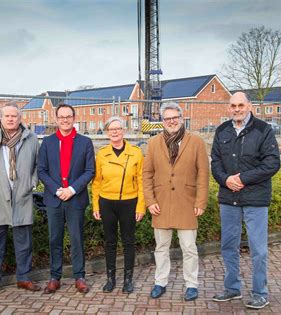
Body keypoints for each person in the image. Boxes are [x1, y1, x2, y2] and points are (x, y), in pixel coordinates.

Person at [211, 91, 280, 309]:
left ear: (249, 106)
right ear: (229, 108)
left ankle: (260, 292)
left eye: (241, 105)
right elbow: (215, 162)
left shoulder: (263, 130)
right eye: (233, 105)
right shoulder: (222, 131)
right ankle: (232, 288)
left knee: (258, 249)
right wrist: (225, 179)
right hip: (228, 197)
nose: (237, 109)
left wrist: (242, 178)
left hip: (255, 199)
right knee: (228, 246)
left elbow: (272, 163)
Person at [142, 102, 209, 301]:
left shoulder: (196, 142)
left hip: (186, 203)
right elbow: (147, 174)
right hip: (160, 203)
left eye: (175, 118)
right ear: (162, 121)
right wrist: (149, 200)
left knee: (189, 247)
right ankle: (160, 282)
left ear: (181, 119)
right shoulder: (153, 143)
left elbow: (203, 174)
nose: (171, 121)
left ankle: (191, 284)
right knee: (161, 247)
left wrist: (200, 202)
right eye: (167, 118)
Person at [0, 102, 41, 295]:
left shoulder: (31, 138)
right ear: (1, 118)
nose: (11, 119)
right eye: (7, 116)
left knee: (24, 241)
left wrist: (32, 183)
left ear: (20, 119)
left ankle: (24, 278)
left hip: (22, 195)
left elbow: (38, 165)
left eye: (14, 116)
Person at [37, 103, 95, 294]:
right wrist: (56, 190)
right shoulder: (47, 142)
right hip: (54, 199)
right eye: (61, 117)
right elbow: (42, 171)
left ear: (74, 118)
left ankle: (79, 276)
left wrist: (72, 189)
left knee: (77, 239)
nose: (64, 120)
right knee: (55, 239)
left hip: (75, 199)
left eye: (68, 116)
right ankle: (55, 277)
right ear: (56, 119)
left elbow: (89, 171)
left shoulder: (85, 142)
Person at [91, 116, 145, 293]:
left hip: (129, 202)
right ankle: (110, 278)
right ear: (107, 133)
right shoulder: (101, 154)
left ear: (123, 130)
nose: (114, 132)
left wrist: (140, 206)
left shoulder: (135, 153)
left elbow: (141, 181)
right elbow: (97, 182)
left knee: (128, 241)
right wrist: (96, 205)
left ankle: (128, 279)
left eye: (118, 128)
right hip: (107, 203)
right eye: (111, 129)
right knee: (110, 242)